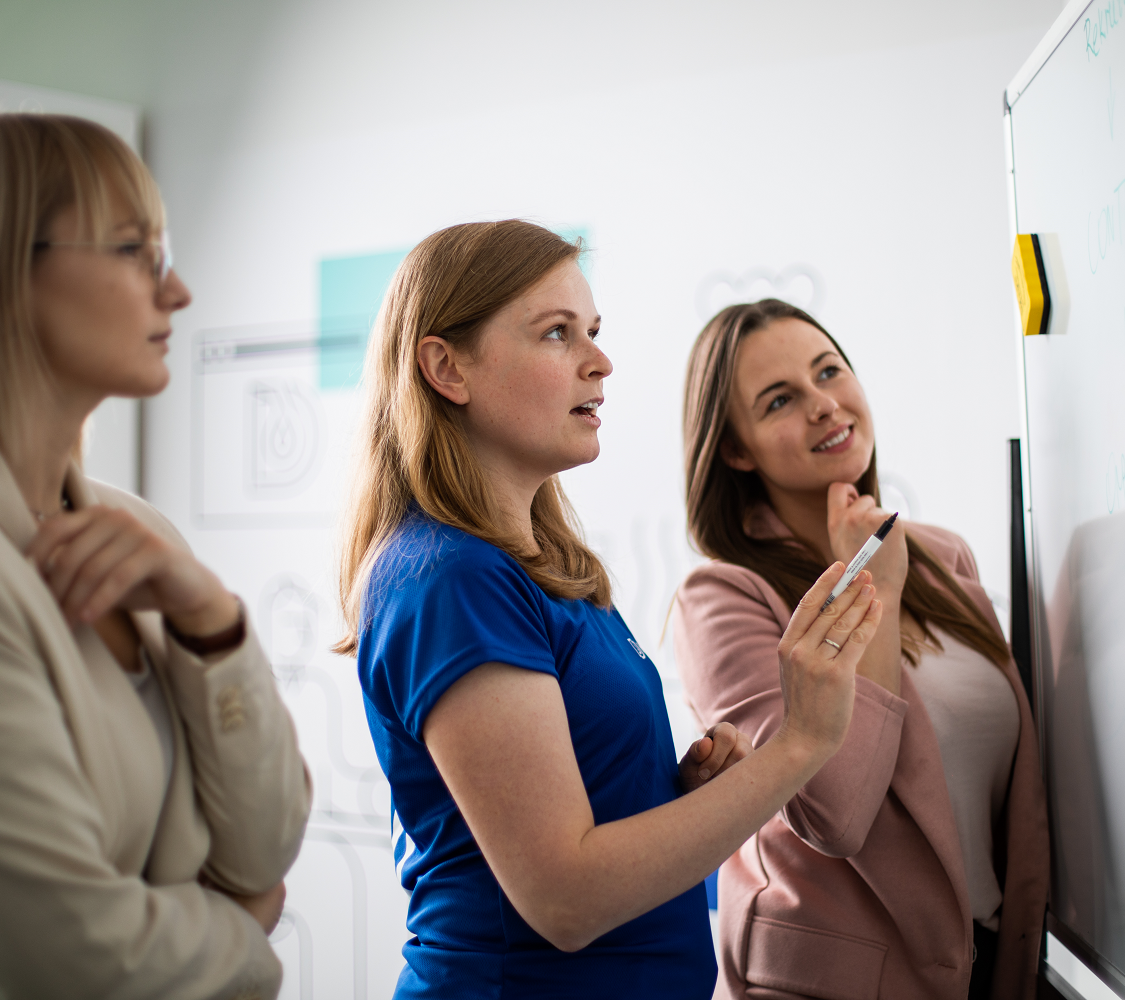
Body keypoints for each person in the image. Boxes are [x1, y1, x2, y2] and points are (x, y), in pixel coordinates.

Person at [335, 220, 884, 999]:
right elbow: (566, 898)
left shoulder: (540, 574)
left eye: (592, 330)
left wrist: (674, 796)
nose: (600, 361)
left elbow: (581, 834)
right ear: (445, 367)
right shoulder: (448, 579)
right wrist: (799, 745)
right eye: (558, 334)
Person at [0, 113, 311, 999]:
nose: (177, 290)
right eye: (133, 250)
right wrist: (242, 931)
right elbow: (74, 959)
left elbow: (268, 844)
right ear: (0, 271)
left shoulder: (137, 536)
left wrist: (210, 623)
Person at [673, 299, 1049, 1000]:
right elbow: (836, 814)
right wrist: (867, 589)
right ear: (736, 449)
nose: (823, 405)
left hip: (988, 961)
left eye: (829, 371)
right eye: (781, 399)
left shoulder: (940, 554)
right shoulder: (724, 597)